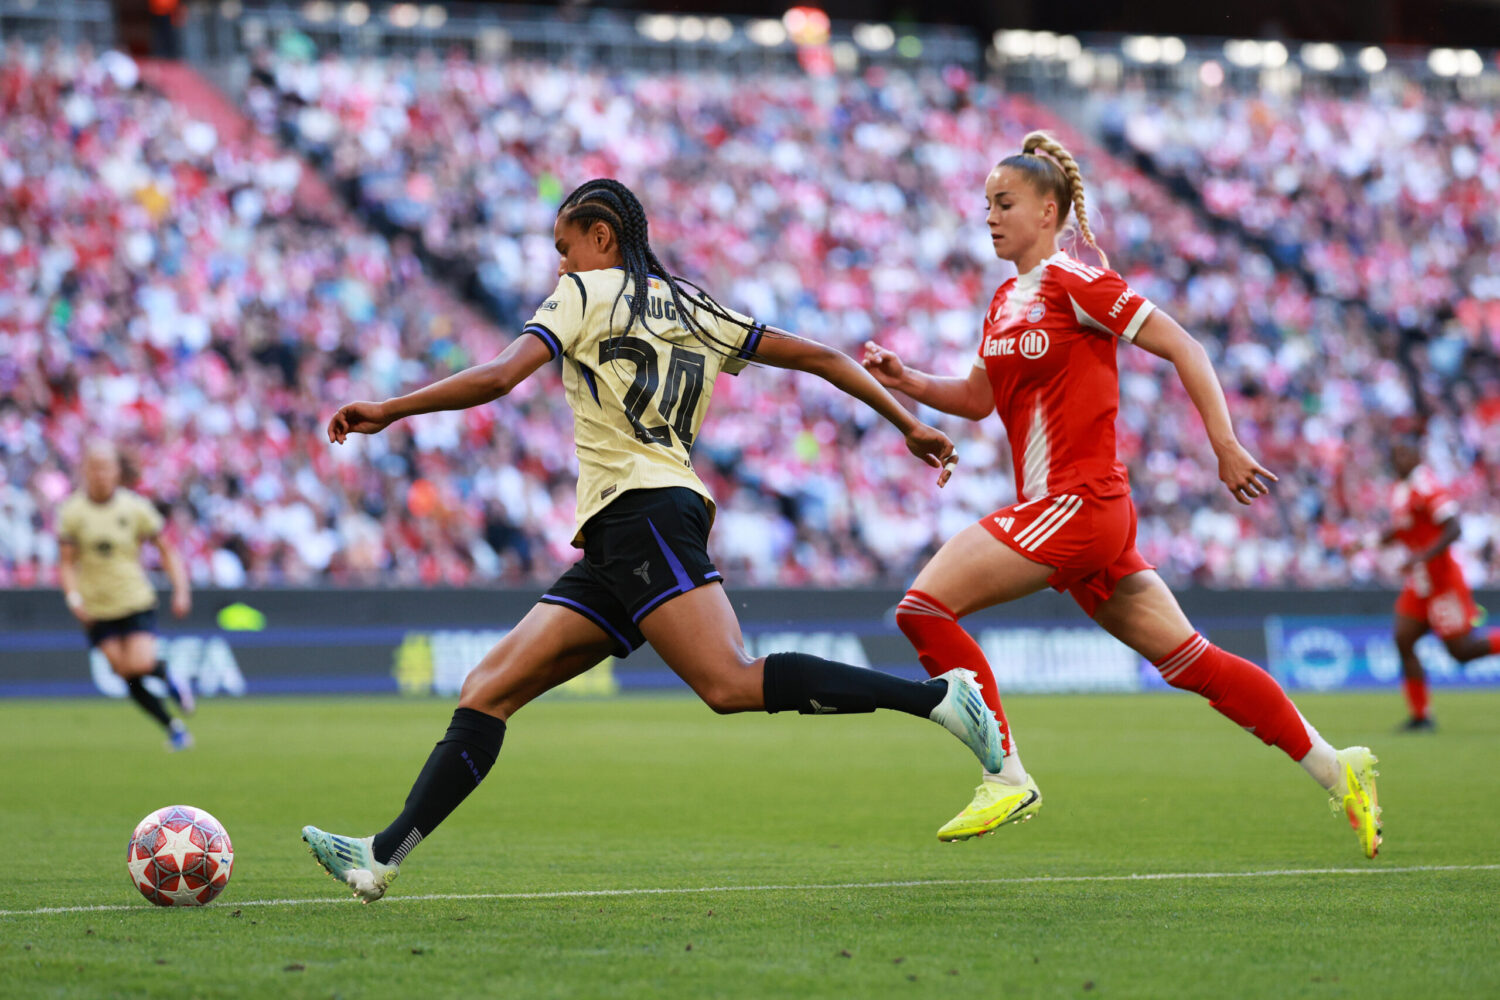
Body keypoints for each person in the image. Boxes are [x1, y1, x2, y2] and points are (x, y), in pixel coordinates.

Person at [301, 178, 1004, 902]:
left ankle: (936, 698)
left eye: (565, 247)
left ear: (602, 236)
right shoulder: (693, 304)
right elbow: (822, 357)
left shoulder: (583, 293)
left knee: (728, 683)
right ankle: (382, 854)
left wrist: (393, 408)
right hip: (623, 528)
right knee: (487, 689)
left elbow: (504, 375)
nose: (560, 265)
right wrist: (907, 423)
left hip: (643, 512)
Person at [860, 132, 1382, 857]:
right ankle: (1336, 765)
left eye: (1004, 203)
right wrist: (908, 380)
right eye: (986, 205)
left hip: (1075, 505)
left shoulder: (1078, 282)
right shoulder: (1005, 300)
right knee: (1191, 661)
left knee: (922, 608)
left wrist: (1225, 444)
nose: (990, 217)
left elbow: (1184, 346)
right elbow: (979, 399)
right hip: (1075, 515)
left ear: (1048, 211)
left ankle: (1005, 774)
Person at [1350, 438, 1500, 730]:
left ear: (1418, 456)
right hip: (1420, 583)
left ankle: (1421, 715)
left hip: (1443, 581)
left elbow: (1454, 528)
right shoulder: (1400, 490)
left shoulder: (1427, 486)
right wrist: (1364, 543)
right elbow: (1399, 530)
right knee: (1403, 639)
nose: (1400, 460)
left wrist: (1422, 555)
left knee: (1461, 651)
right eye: (1396, 455)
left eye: (1405, 454)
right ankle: (1421, 716)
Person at [57, 441, 195, 749]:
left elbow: (167, 551)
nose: (100, 474)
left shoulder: (134, 508)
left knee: (139, 664)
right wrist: (74, 599)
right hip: (96, 606)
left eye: (106, 468)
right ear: (85, 470)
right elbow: (66, 563)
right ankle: (173, 728)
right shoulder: (72, 512)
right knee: (124, 673)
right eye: (94, 467)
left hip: (134, 599)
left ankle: (167, 674)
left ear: (116, 471)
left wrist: (181, 590)